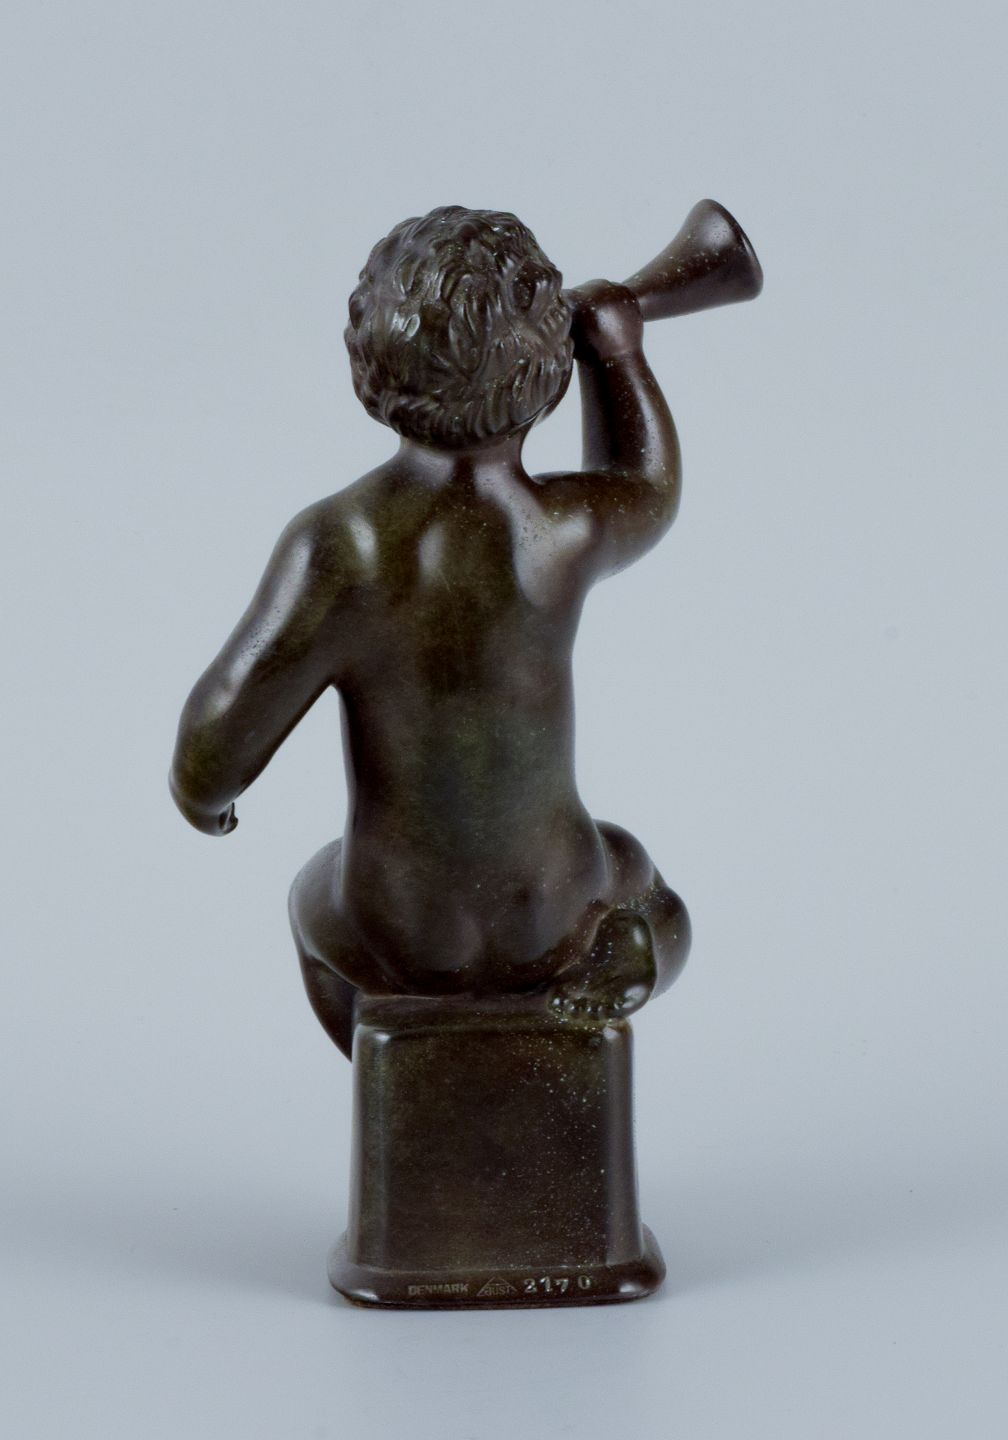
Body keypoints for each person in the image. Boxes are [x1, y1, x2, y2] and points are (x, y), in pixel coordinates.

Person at [170, 206, 690, 1058]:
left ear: (368, 363)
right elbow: (645, 482)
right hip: (551, 912)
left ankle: (412, 1062)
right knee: (641, 883)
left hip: (402, 931)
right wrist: (620, 355)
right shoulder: (564, 531)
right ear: (548, 372)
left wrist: (206, 801)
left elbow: (218, 735)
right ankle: (631, 951)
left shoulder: (342, 546)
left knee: (311, 895)